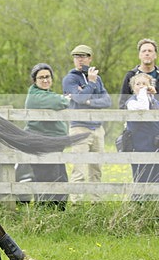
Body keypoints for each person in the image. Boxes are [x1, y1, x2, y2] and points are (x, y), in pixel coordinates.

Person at [61, 44, 112, 191]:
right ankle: (76, 204)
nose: (80, 60)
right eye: (76, 57)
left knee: (96, 169)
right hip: (79, 128)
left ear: (90, 58)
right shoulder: (70, 79)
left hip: (97, 128)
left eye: (83, 56)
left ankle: (95, 203)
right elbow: (80, 99)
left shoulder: (98, 78)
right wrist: (90, 84)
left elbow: (107, 101)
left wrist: (90, 100)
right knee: (79, 169)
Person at [23, 63, 71, 209]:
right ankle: (44, 212)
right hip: (41, 141)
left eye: (47, 77)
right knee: (46, 177)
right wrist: (65, 99)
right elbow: (58, 101)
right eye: (41, 77)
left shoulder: (47, 93)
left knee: (60, 177)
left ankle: (58, 211)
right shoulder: (35, 96)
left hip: (54, 143)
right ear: (35, 80)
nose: (45, 80)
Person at [124, 72, 159, 186]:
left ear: (150, 85)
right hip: (138, 143)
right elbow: (143, 109)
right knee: (141, 175)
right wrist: (145, 91)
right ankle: (139, 202)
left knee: (155, 174)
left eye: (144, 83)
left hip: (154, 142)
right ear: (133, 88)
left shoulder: (154, 101)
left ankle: (153, 201)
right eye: (138, 84)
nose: (141, 86)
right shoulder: (132, 102)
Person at [118, 38, 159, 109]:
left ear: (155, 55)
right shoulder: (130, 75)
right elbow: (122, 103)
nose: (147, 53)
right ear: (139, 55)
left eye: (150, 51)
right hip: (136, 117)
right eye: (143, 51)